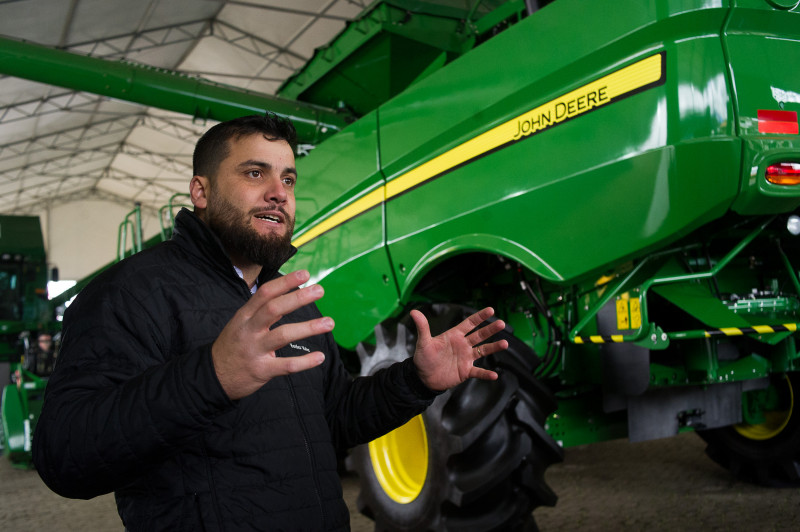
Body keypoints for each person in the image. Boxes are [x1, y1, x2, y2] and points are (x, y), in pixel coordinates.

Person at [33, 114, 507, 531]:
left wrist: (415, 381)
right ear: (201, 191)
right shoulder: (131, 293)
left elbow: (334, 418)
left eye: (289, 179)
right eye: (254, 173)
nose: (279, 193)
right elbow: (65, 457)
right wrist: (211, 376)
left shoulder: (289, 301)